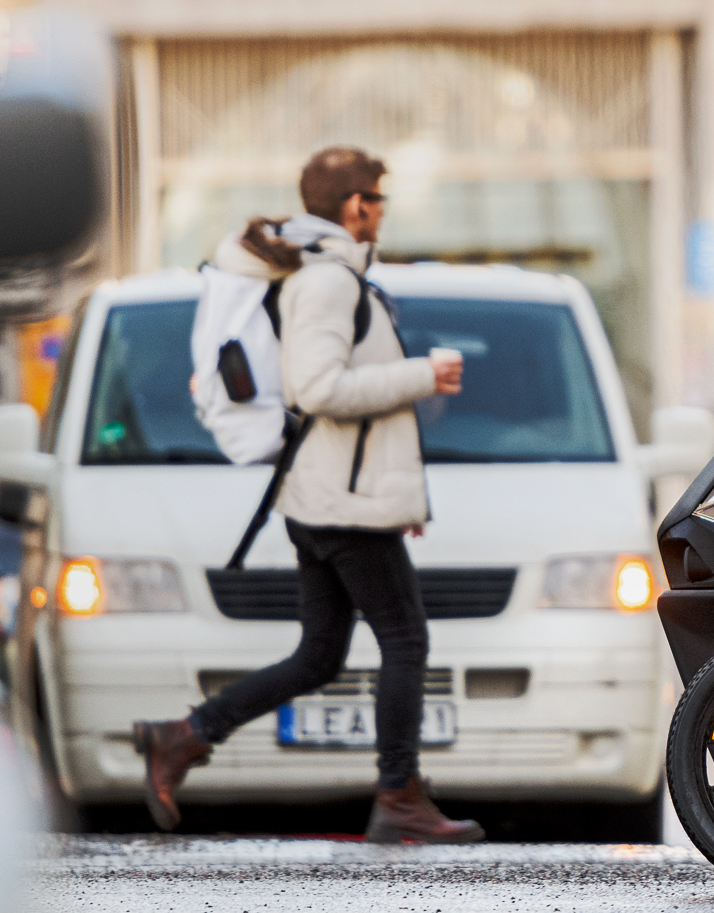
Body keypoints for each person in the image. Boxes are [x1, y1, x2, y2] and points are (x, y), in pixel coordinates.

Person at [133, 146, 483, 843]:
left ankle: (183, 735)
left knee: (319, 655)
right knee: (405, 639)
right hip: (339, 503)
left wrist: (400, 498)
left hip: (333, 496)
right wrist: (424, 375)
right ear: (355, 206)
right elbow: (317, 390)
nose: (383, 213)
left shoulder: (335, 278)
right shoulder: (326, 283)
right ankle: (399, 794)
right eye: (378, 200)